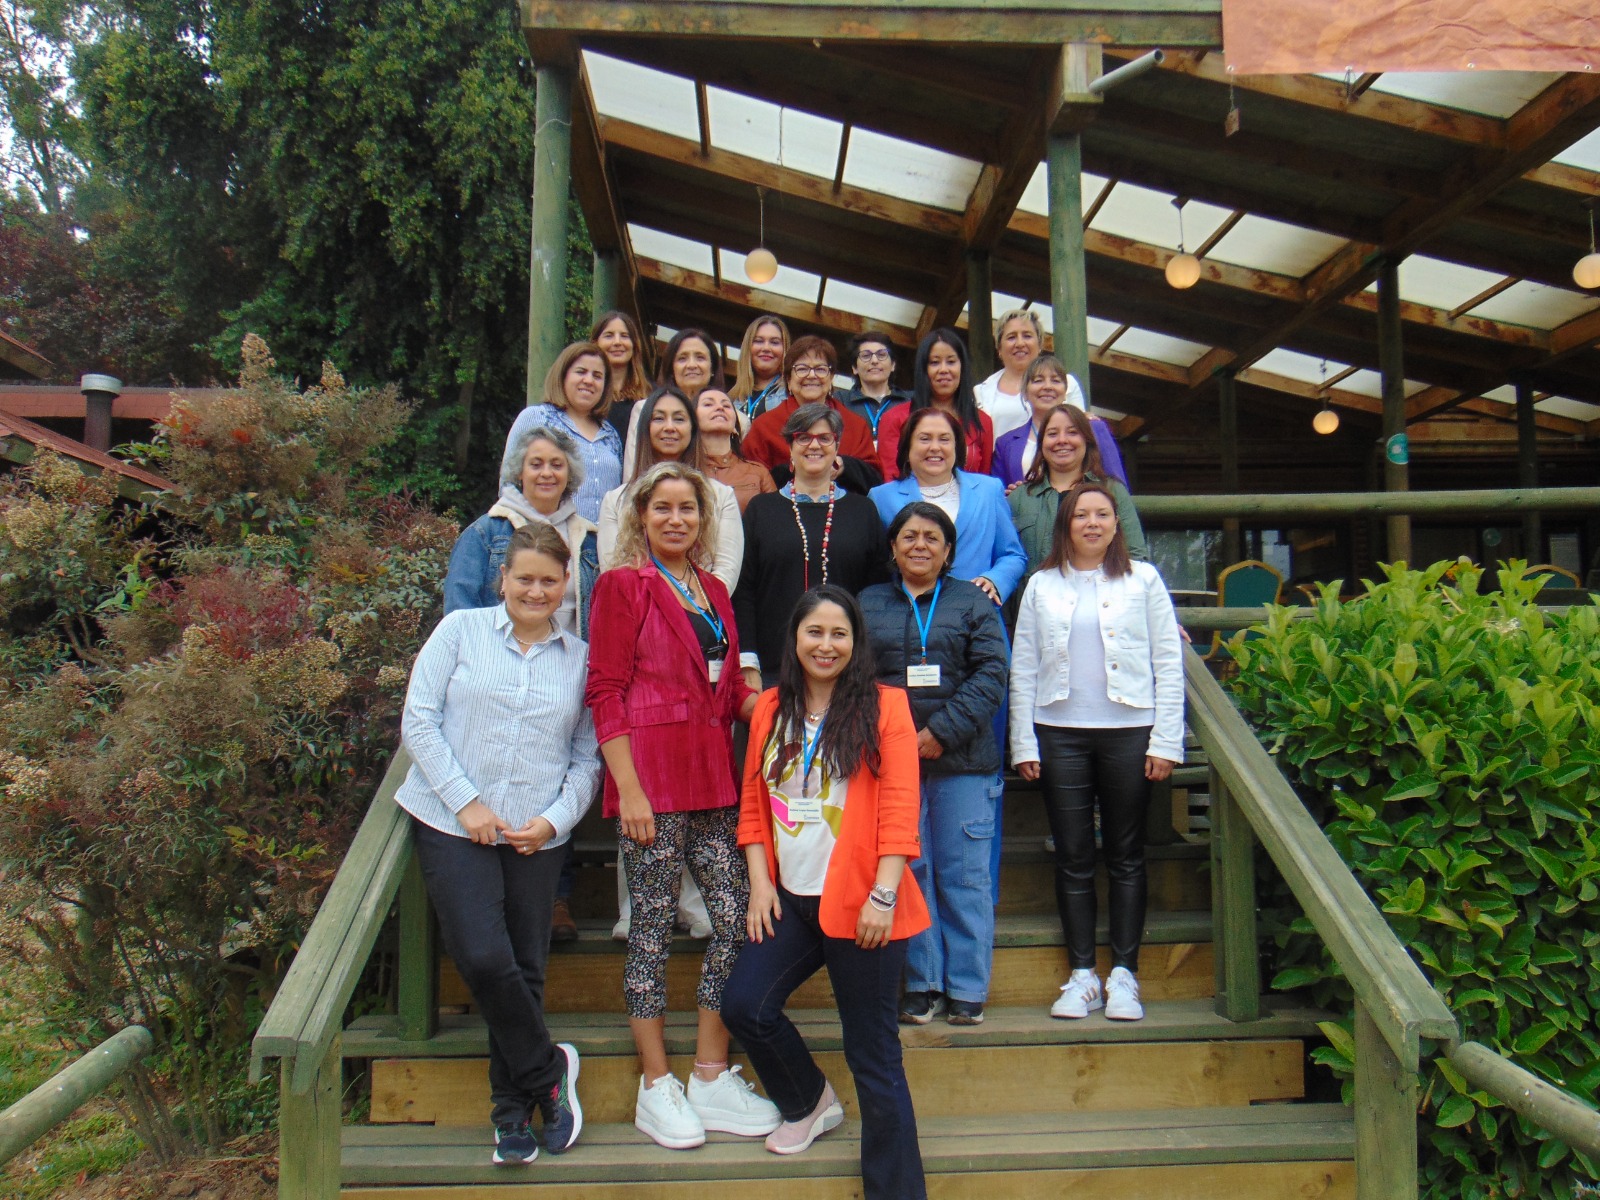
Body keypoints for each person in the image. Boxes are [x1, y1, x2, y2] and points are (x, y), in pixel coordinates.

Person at [584, 462, 783, 1150]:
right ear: (642, 517)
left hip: (712, 779)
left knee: (736, 920)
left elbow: (727, 694)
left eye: (687, 509)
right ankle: (655, 1083)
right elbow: (604, 689)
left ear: (704, 520)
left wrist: (782, 710)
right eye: (662, 508)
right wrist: (628, 788)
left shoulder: (716, 593)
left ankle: (708, 1071)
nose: (675, 519)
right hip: (652, 781)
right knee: (653, 928)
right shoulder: (622, 586)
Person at [396, 522, 598, 1164]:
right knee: (483, 959)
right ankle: (548, 1074)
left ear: (566, 585)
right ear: (502, 579)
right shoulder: (459, 633)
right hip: (453, 823)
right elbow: (418, 721)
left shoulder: (582, 659)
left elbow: (587, 757)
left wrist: (555, 821)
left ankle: (511, 1116)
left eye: (548, 580)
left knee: (526, 969)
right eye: (524, 578)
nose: (535, 590)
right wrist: (467, 802)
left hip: (535, 833)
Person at [721, 586, 928, 1198]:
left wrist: (883, 896)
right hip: (790, 898)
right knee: (745, 1007)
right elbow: (753, 805)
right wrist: (760, 883)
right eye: (815, 632)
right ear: (795, 639)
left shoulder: (886, 706)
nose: (826, 645)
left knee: (872, 1055)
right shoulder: (768, 710)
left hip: (864, 903)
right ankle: (808, 1099)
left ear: (856, 642)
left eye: (840, 634)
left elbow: (899, 807)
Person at [1009, 482, 1184, 1024]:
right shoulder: (1041, 585)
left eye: (1101, 514)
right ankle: (1083, 975)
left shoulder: (1144, 580)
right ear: (1065, 525)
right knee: (1074, 855)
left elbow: (1168, 662)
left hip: (1130, 730)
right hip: (1059, 730)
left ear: (1115, 524)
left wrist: (1165, 741)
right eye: (1080, 514)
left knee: (1127, 855)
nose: (1091, 523)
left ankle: (1125, 975)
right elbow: (1024, 668)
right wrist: (1023, 741)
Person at [860, 503, 1007, 1026]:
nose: (919, 545)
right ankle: (921, 984)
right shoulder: (869, 602)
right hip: (891, 763)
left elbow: (992, 673)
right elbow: (856, 678)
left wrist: (940, 732)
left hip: (963, 762)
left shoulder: (973, 602)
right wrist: (895, 741)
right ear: (894, 546)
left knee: (964, 874)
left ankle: (968, 987)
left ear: (948, 551)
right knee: (909, 873)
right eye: (909, 536)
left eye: (931, 538)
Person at [734, 403, 890, 689]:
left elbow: (878, 591)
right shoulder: (761, 509)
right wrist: (748, 660)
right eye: (803, 437)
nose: (813, 445)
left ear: (837, 446)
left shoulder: (863, 510)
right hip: (773, 668)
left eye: (824, 437)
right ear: (790, 447)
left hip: (845, 667)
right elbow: (744, 589)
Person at [869, 407, 1027, 609]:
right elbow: (876, 566)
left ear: (957, 447)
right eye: (924, 439)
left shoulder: (988, 490)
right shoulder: (881, 498)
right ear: (907, 448)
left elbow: (1013, 555)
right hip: (910, 615)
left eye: (944, 439)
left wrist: (995, 580)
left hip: (976, 615)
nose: (935, 447)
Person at [447, 423, 599, 632]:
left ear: (569, 473)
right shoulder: (485, 533)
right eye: (536, 465)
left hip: (570, 662)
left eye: (556, 465)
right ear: (519, 472)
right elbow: (458, 613)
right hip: (498, 660)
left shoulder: (588, 539)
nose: (547, 473)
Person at [599, 386, 744, 591]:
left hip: (701, 615)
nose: (669, 427)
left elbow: (725, 574)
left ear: (693, 429)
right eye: (659, 418)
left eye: (679, 419)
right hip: (638, 614)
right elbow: (613, 570)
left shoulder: (721, 496)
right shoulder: (616, 500)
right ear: (644, 428)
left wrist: (692, 608)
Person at [1009, 403, 1147, 585]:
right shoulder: (1018, 497)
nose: (1062, 440)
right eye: (1052, 434)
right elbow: (1004, 558)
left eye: (1072, 432)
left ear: (1087, 440)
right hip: (1036, 606)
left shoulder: (1112, 490)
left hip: (1102, 604)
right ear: (1041, 443)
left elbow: (1135, 556)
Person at [502, 342, 621, 525]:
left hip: (602, 547)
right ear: (563, 376)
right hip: (548, 540)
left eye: (597, 376)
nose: (589, 380)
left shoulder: (611, 435)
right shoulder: (537, 417)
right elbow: (508, 483)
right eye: (581, 372)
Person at [740, 336, 882, 489]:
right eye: (802, 369)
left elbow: (874, 479)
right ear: (788, 379)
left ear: (831, 377)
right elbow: (750, 481)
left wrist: (844, 466)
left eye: (820, 369)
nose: (812, 375)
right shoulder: (764, 426)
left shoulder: (855, 425)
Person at [876, 329, 994, 480]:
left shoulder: (982, 422)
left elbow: (983, 482)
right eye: (934, 362)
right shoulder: (894, 419)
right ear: (923, 369)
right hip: (911, 503)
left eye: (951, 361)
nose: (943, 370)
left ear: (962, 367)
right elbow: (891, 481)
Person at [622, 328, 724, 478]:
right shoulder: (644, 408)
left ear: (712, 368)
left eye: (700, 358)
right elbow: (632, 468)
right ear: (671, 368)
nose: (691, 365)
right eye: (682, 358)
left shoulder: (730, 415)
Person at [697, 386, 777, 514]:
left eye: (727, 406)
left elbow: (773, 523)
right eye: (708, 404)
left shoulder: (758, 473)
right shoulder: (683, 470)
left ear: (735, 427)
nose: (719, 408)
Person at [839, 331, 909, 449]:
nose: (874, 361)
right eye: (866, 356)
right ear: (854, 368)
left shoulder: (910, 401)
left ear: (893, 365)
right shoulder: (841, 401)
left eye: (882, 355)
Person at [593, 309, 654, 444]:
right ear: (595, 343)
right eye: (609, 336)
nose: (617, 342)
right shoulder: (588, 394)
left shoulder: (652, 395)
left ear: (634, 344)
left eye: (625, 336)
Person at [728, 314, 791, 425]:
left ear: (785, 349)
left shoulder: (792, 395)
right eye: (758, 341)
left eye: (774, 342)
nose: (766, 348)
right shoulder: (731, 398)